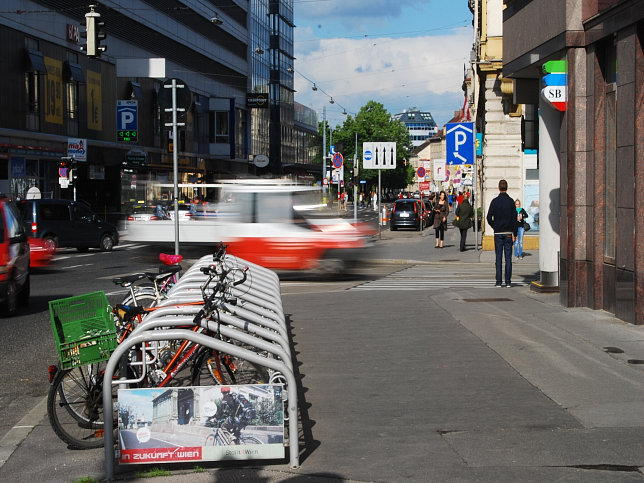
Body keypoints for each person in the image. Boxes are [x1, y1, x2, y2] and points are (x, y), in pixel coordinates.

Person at [486, 179, 518, 287]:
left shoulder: (495, 201)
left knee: (498, 257)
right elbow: (514, 219)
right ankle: (508, 281)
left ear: (499, 188)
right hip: (509, 232)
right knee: (508, 258)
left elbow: (488, 217)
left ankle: (498, 282)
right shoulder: (511, 201)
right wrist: (515, 233)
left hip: (498, 233)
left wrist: (494, 226)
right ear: (507, 188)